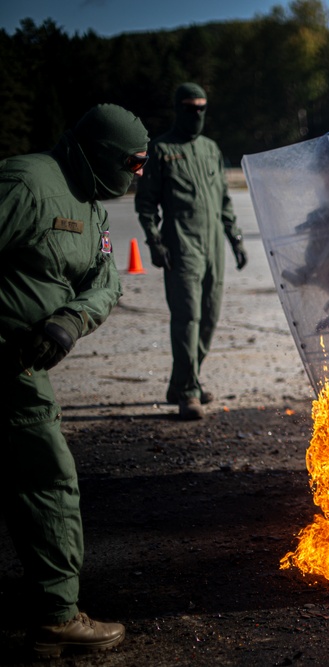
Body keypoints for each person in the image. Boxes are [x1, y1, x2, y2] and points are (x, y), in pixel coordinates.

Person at [1, 103, 148, 657]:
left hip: (24, 366)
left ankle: (52, 614)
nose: (136, 177)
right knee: (48, 481)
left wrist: (69, 319)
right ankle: (56, 619)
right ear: (101, 156)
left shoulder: (91, 207)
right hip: (6, 364)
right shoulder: (27, 183)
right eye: (131, 165)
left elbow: (105, 278)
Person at [135, 83, 247, 420]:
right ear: (178, 109)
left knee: (209, 318)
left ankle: (186, 380)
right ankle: (187, 392)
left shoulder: (211, 149)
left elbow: (224, 201)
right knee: (187, 319)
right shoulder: (161, 149)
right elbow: (145, 203)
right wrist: (154, 241)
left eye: (202, 107)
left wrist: (236, 238)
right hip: (182, 246)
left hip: (213, 247)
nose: (196, 114)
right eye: (190, 108)